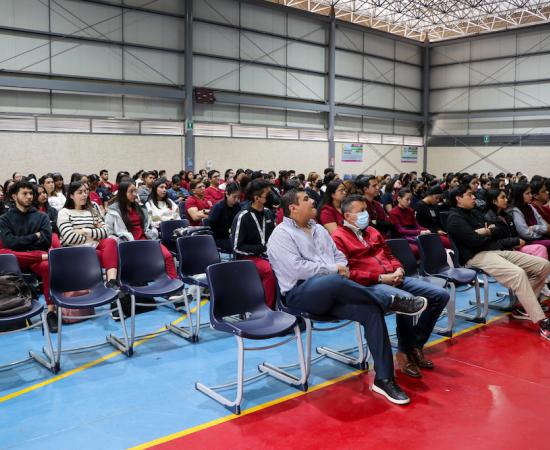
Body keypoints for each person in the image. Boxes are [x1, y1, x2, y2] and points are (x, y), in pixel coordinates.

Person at [267, 189, 427, 405]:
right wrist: (333, 268)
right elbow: (298, 270)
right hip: (300, 295)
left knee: (371, 312)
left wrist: (336, 267)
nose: (313, 200)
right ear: (292, 208)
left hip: (334, 292)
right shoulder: (281, 234)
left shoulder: (319, 229)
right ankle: (387, 300)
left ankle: (384, 379)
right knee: (333, 279)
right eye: (306, 199)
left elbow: (339, 256)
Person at [332, 195, 449, 378]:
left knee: (440, 295)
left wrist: (398, 269)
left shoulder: (372, 231)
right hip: (370, 284)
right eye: (361, 211)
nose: (366, 214)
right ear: (347, 216)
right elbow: (347, 273)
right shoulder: (338, 237)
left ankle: (414, 346)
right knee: (406, 300)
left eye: (366, 209)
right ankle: (404, 351)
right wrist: (380, 278)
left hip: (394, 277)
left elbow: (389, 255)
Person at [446, 185, 550, 340]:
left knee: (543, 265)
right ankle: (542, 321)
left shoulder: (474, 212)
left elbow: (500, 229)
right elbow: (474, 241)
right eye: (469, 195)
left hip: (495, 249)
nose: (474, 197)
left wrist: (485, 231)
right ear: (458, 198)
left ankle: (523, 306)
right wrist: (487, 231)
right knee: (518, 273)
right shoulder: (454, 218)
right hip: (476, 256)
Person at [0, 181, 57, 331]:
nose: (29, 196)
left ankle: (51, 312)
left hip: (33, 259)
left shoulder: (41, 216)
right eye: (24, 193)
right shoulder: (5, 219)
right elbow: (9, 243)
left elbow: (46, 241)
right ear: (14, 196)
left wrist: (22, 243)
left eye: (31, 193)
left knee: (47, 265)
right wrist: (34, 237)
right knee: (4, 254)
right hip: (17, 260)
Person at [57, 181, 121, 315]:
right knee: (111, 255)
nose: (84, 195)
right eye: (80, 192)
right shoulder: (64, 213)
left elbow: (105, 232)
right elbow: (70, 238)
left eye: (86, 191)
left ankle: (111, 282)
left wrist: (85, 231)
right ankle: (114, 297)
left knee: (110, 242)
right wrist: (94, 234)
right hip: (77, 252)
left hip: (95, 248)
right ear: (71, 196)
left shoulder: (92, 210)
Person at [105, 181, 177, 279]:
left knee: (167, 256)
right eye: (131, 192)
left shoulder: (141, 208)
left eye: (135, 191)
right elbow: (109, 233)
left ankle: (174, 283)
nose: (135, 194)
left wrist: (153, 233)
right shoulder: (113, 211)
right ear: (123, 193)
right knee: (143, 264)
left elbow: (150, 225)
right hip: (130, 244)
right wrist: (121, 241)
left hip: (147, 240)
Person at [231, 179, 276, 308]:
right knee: (269, 271)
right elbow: (237, 247)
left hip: (267, 254)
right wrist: (261, 249)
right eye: (267, 194)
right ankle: (267, 310)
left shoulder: (268, 213)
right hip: (247, 258)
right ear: (257, 198)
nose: (271, 196)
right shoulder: (243, 216)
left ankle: (286, 307)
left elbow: (274, 237)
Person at [485, 189, 548, 260]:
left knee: (540, 248)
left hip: (515, 246)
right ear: (494, 201)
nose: (506, 200)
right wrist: (515, 241)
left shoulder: (506, 215)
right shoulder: (489, 218)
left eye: (506, 197)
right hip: (504, 250)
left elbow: (514, 233)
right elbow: (496, 241)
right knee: (540, 248)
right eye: (503, 198)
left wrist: (516, 241)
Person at [508, 183, 550, 254]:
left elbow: (545, 226)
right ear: (519, 195)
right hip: (528, 241)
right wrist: (540, 233)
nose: (531, 195)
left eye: (530, 193)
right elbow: (525, 233)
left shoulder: (530, 206)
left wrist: (534, 228)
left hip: (538, 237)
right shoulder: (515, 210)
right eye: (527, 193)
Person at [389, 189, 432, 256]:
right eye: (407, 199)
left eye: (410, 199)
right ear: (399, 199)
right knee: (421, 247)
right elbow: (400, 231)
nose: (409, 202)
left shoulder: (410, 210)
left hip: (412, 234)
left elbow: (417, 225)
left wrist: (425, 230)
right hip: (402, 238)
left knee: (430, 242)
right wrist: (419, 232)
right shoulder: (393, 212)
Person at [209, 182, 241, 252]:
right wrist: (227, 230)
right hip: (220, 238)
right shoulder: (218, 207)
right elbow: (212, 227)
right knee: (238, 247)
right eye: (234, 197)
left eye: (238, 197)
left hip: (233, 236)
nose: (236, 199)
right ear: (227, 194)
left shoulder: (237, 206)